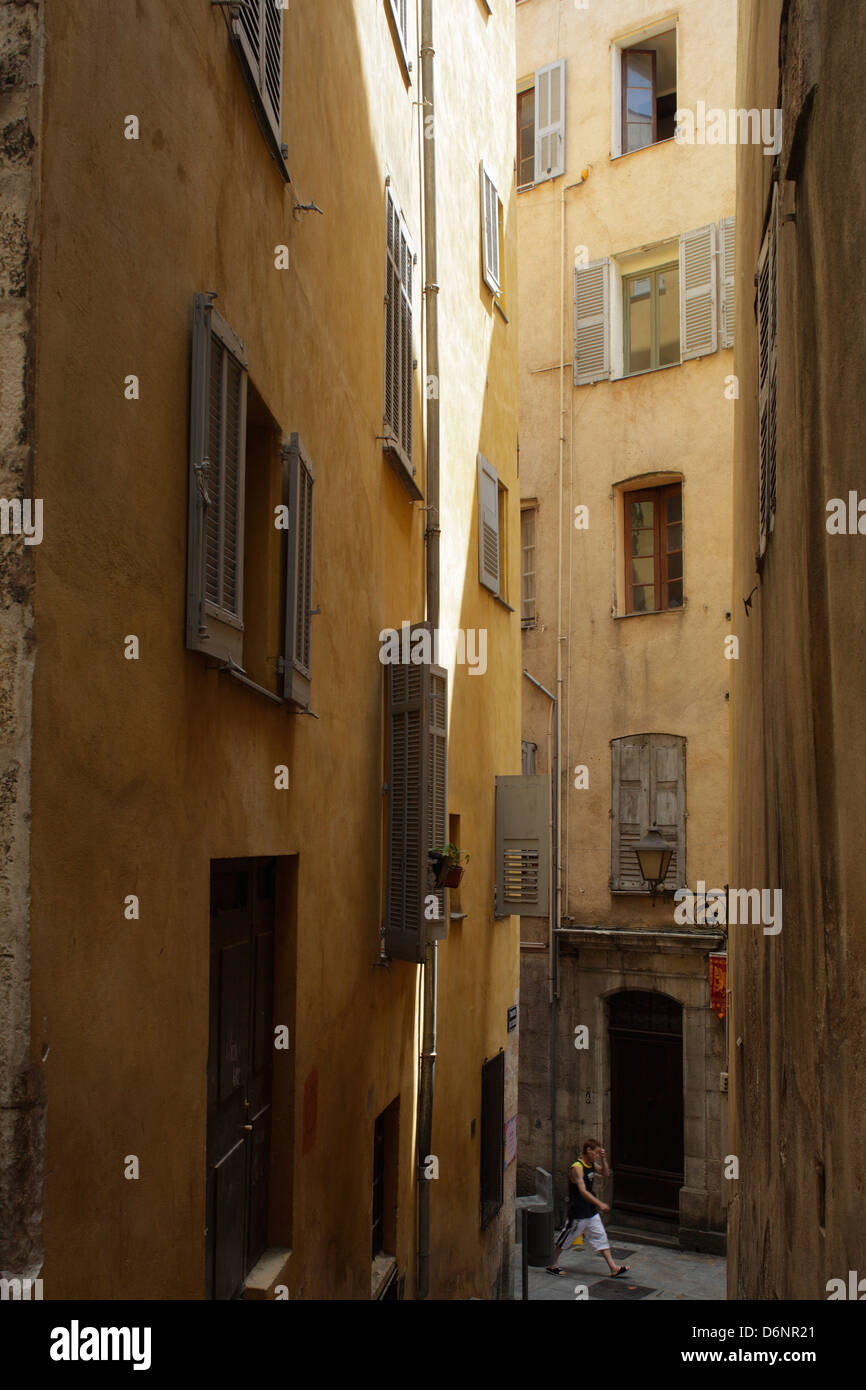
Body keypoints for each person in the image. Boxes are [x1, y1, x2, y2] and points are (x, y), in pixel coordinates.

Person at [546, 1138, 630, 1277]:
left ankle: (613, 1268)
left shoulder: (591, 1164)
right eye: (596, 1153)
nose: (597, 1155)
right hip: (578, 1210)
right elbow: (583, 1191)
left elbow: (605, 1173)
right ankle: (552, 1263)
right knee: (567, 1237)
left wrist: (603, 1158)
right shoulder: (577, 1168)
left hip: (590, 1210)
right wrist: (600, 1203)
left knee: (600, 1236)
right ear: (588, 1151)